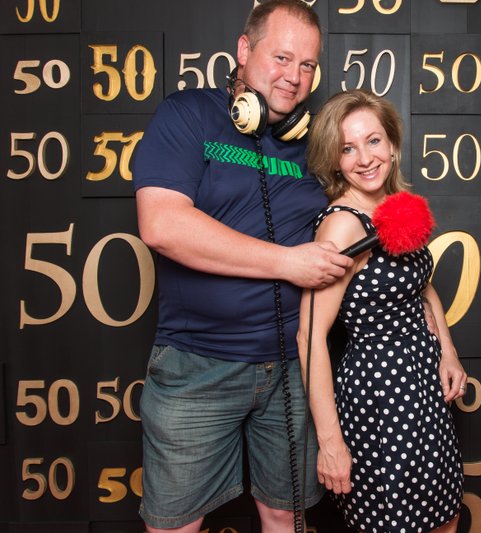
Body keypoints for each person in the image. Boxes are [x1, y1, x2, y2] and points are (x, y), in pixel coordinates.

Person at [131, 2, 353, 532]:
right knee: (174, 525)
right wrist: (288, 263)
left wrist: (435, 324)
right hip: (196, 365)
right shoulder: (187, 114)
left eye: (307, 65)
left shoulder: (313, 143)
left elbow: (374, 213)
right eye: (282, 58)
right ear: (244, 50)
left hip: (293, 369)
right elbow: (161, 224)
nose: (294, 76)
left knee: (284, 514)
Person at [297, 89, 466, 533]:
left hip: (425, 389)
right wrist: (330, 442)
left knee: (444, 517)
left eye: (373, 141)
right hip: (381, 399)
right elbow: (309, 337)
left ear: (391, 144)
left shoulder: (395, 207)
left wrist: (447, 351)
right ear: (335, 160)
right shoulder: (343, 225)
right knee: (395, 522)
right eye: (347, 148)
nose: (365, 158)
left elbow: (421, 286)